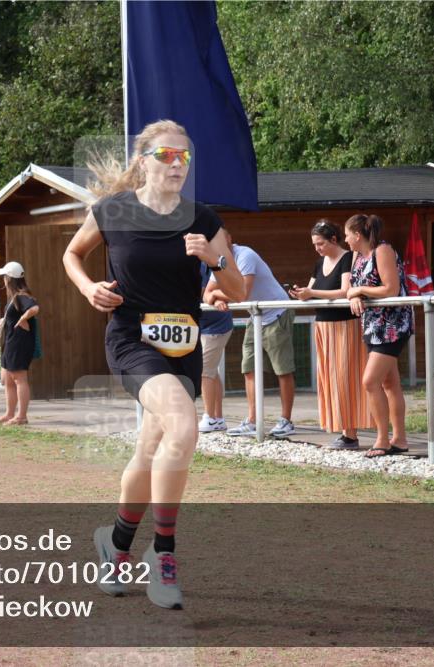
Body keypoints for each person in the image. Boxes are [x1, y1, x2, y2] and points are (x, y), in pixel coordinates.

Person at [63, 119, 243, 610]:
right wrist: (88, 287)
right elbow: (72, 254)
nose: (177, 164)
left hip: (182, 347)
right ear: (144, 161)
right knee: (183, 427)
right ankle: (162, 554)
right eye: (166, 155)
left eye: (184, 156)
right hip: (131, 339)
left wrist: (213, 260)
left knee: (150, 450)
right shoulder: (113, 210)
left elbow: (237, 290)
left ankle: (116, 545)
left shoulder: (202, 219)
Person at [290, 220, 370, 449]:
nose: (317, 248)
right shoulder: (319, 263)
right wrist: (301, 294)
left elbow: (345, 291)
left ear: (334, 239)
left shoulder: (348, 258)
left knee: (345, 378)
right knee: (329, 379)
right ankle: (343, 429)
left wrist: (311, 292)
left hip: (344, 325)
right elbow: (312, 291)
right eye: (315, 244)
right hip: (323, 326)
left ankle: (351, 433)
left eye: (321, 243)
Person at [345, 214, 414, 457]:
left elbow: (390, 289)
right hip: (372, 325)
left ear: (357, 235)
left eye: (347, 235)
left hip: (393, 324)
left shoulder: (382, 250)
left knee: (370, 381)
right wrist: (354, 294)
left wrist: (359, 290)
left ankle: (382, 440)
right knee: (389, 383)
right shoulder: (356, 257)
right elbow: (351, 288)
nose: (345, 240)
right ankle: (400, 439)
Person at [214, 239, 297, 438]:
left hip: (277, 312)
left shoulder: (245, 255)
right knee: (249, 368)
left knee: (282, 369)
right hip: (255, 315)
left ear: (227, 242)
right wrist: (215, 299)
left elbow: (243, 293)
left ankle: (286, 421)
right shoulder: (215, 261)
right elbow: (207, 293)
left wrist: (217, 294)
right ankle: (252, 420)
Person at [0, 261, 40, 425]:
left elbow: (34, 308)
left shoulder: (21, 296)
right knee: (7, 379)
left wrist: (23, 318)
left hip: (19, 343)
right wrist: (5, 320)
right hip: (10, 342)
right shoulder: (14, 298)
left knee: (19, 379)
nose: (3, 280)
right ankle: (9, 413)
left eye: (5, 277)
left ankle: (21, 416)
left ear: (10, 278)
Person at [198, 233, 235, 432]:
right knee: (211, 372)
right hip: (201, 323)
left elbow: (226, 289)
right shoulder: (196, 263)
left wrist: (215, 297)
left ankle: (209, 417)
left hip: (217, 324)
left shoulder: (221, 262)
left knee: (205, 371)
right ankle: (218, 418)